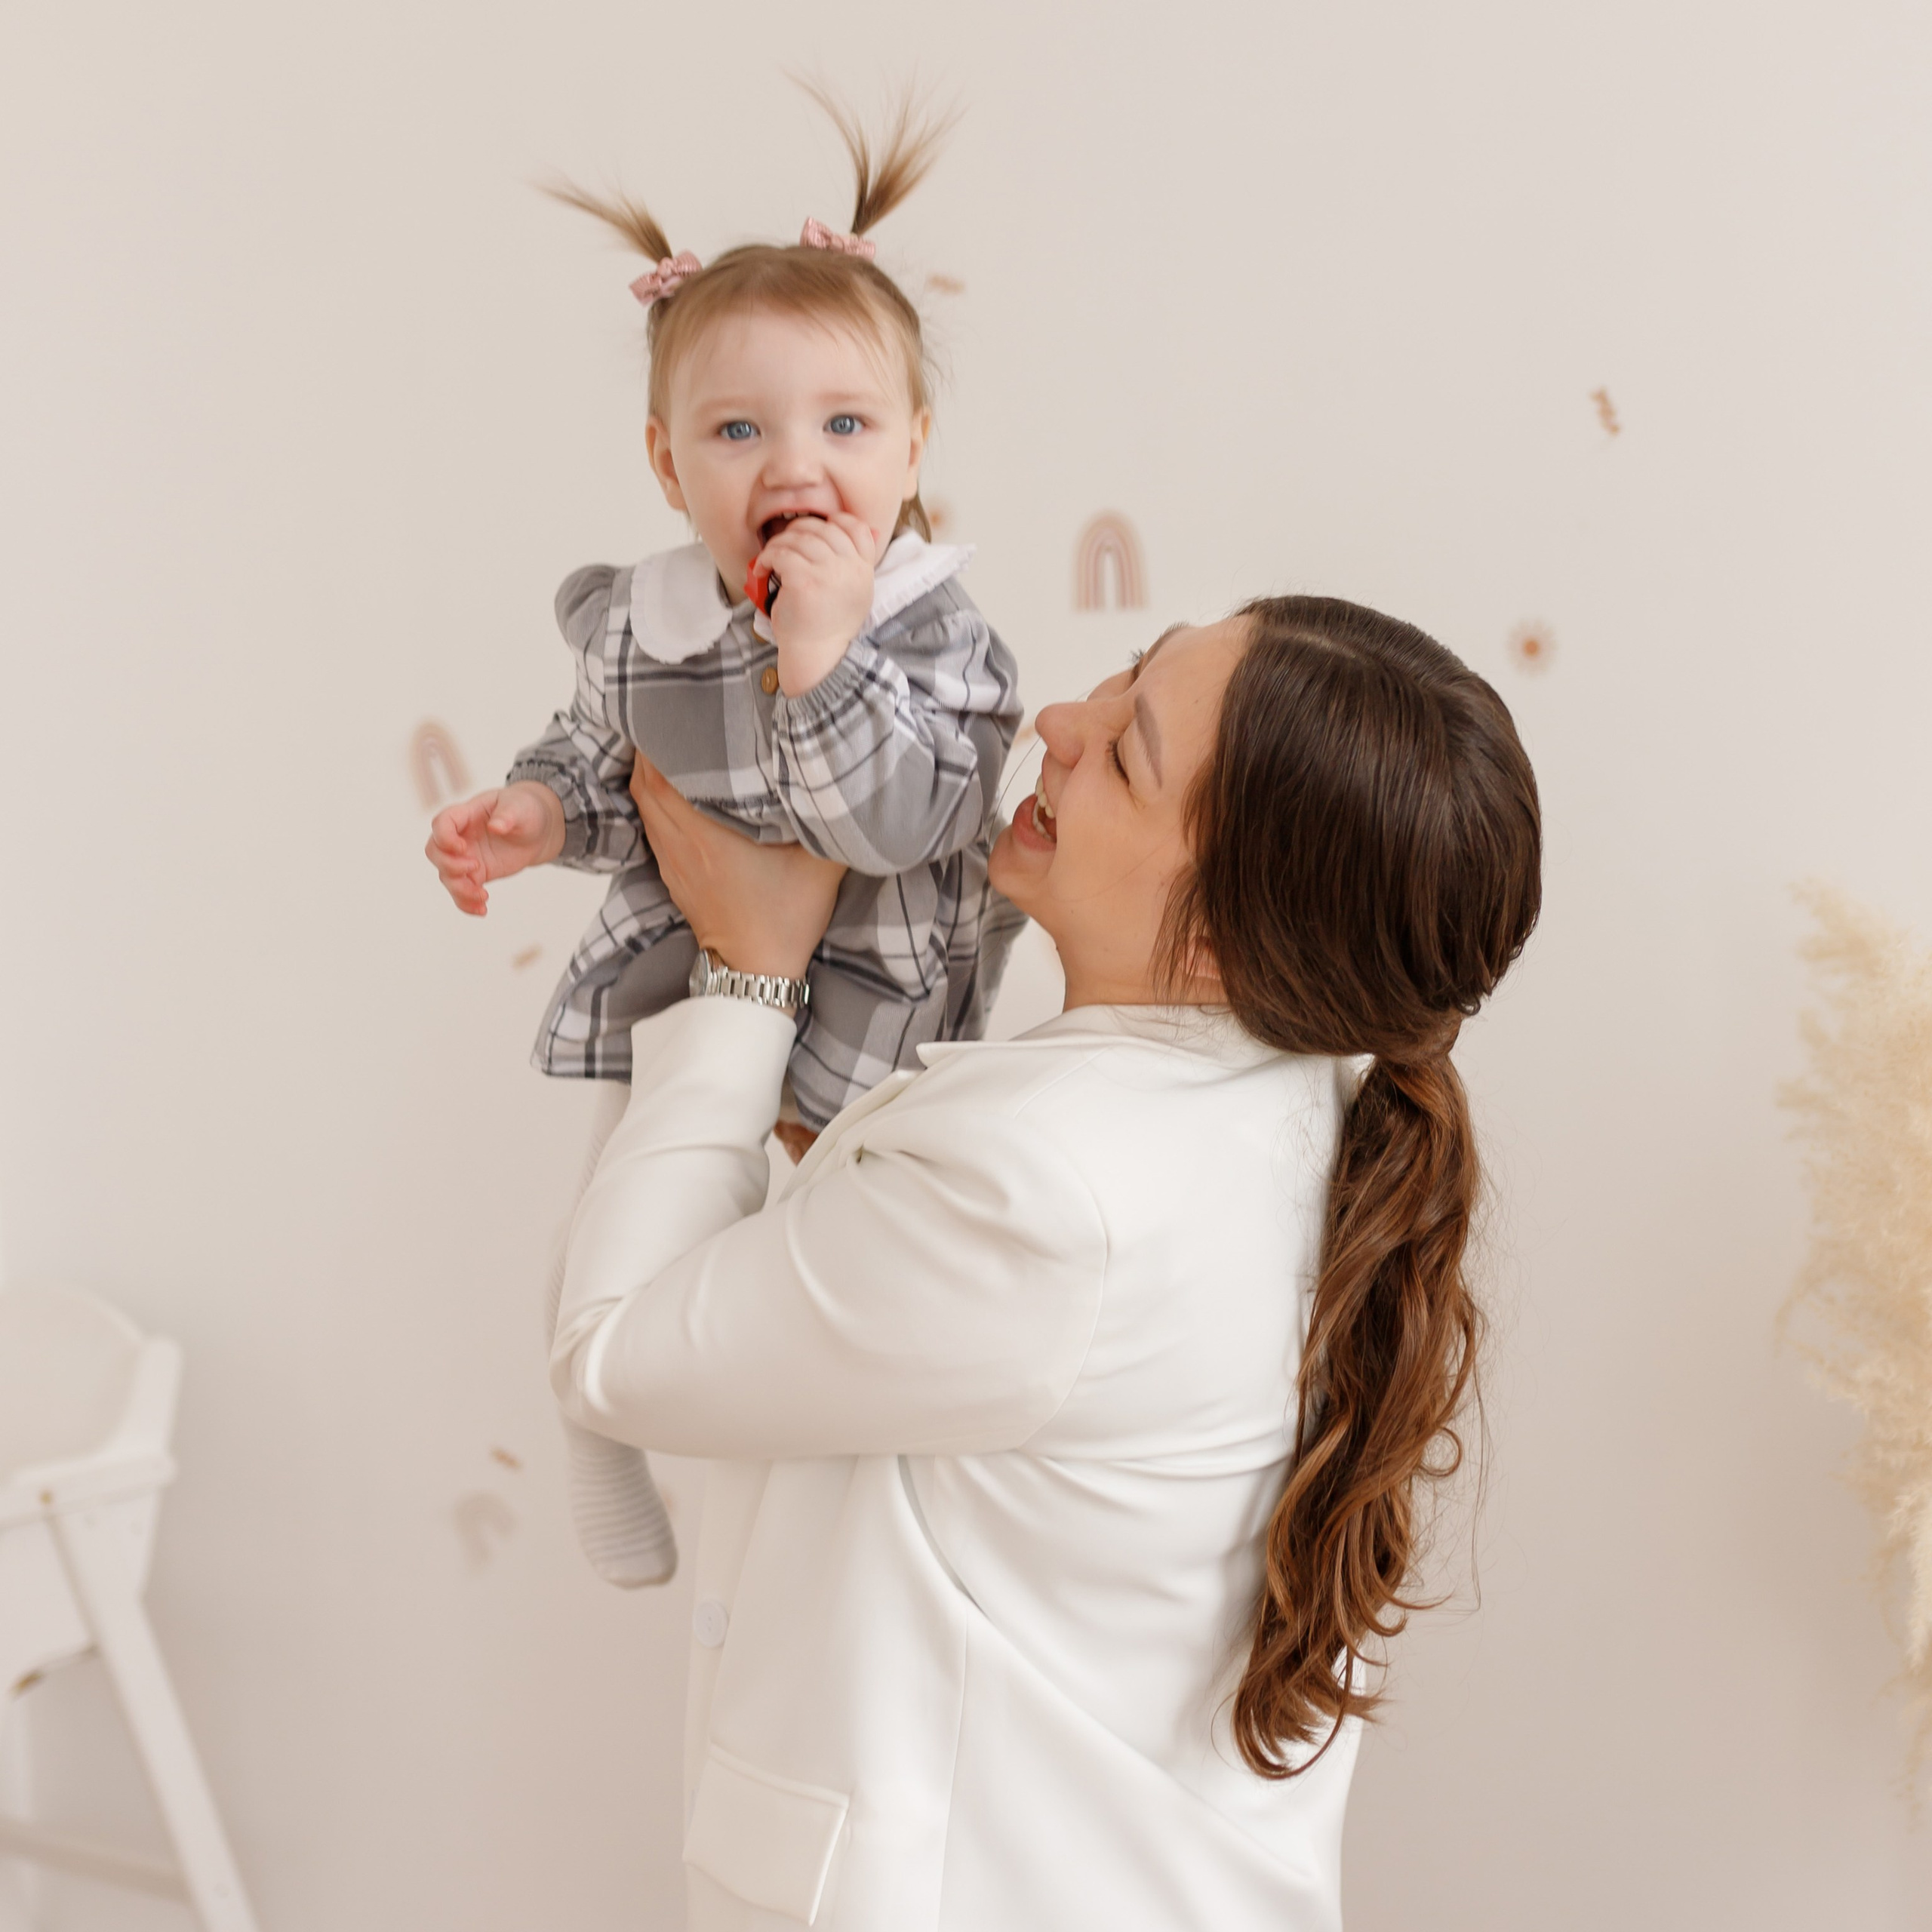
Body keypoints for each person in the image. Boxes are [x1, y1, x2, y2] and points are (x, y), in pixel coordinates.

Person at [552, 595, 1542, 1929]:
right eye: (1130, 675)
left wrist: (747, 975)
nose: (1062, 724)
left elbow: (614, 1352)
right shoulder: (1291, 1107)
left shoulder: (1051, 1192)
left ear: (1221, 936)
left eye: (1129, 754)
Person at [423, 95, 1021, 1589]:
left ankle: (832, 1557)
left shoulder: (934, 634)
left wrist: (820, 655)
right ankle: (597, 1433)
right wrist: (540, 812)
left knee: (801, 1293)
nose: (791, 463)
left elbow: (901, 821)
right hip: (680, 997)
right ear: (664, 459)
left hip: (873, 1026)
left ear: (910, 446)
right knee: (604, 1244)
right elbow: (613, 759)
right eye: (735, 429)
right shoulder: (650, 611)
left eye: (842, 424)